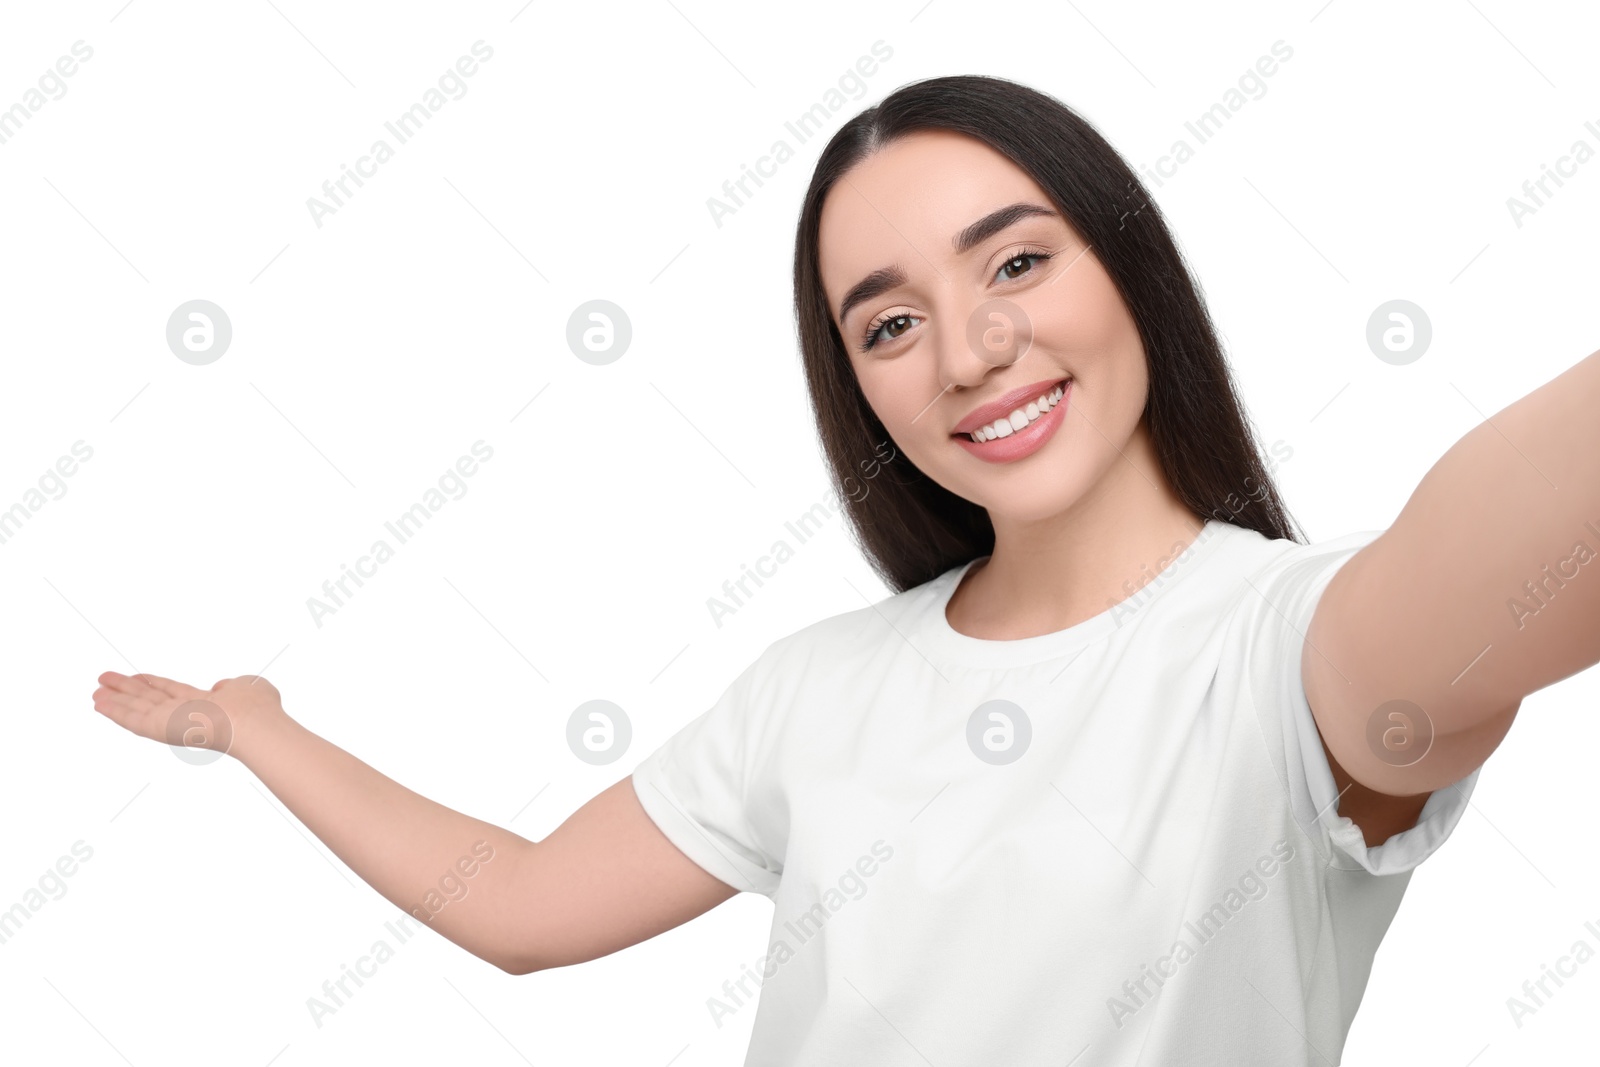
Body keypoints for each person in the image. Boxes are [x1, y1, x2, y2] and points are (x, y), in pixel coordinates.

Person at [91, 75, 1600, 1064]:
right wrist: (256, 729)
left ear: (1132, 267)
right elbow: (528, 907)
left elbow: (1503, 540)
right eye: (888, 324)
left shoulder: (1293, 652)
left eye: (1019, 262)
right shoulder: (820, 688)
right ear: (857, 389)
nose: (970, 349)